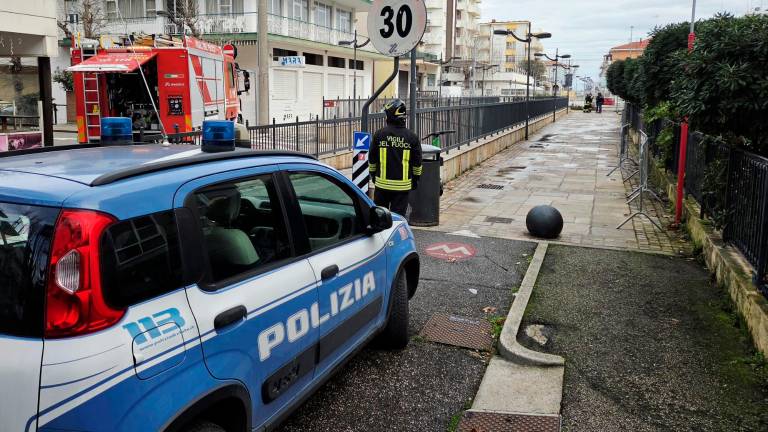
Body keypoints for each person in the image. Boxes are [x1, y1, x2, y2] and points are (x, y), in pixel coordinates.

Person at [368, 99, 423, 216]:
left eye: (387, 115)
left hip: (381, 186)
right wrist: (415, 179)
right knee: (397, 218)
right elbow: (417, 163)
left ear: (391, 116)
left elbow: (372, 159)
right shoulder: (412, 137)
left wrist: (373, 175)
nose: (386, 118)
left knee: (380, 218)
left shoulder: (379, 134)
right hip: (402, 188)